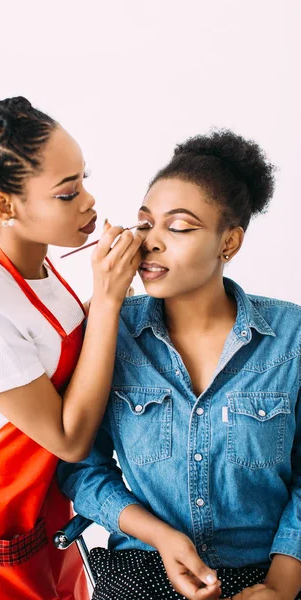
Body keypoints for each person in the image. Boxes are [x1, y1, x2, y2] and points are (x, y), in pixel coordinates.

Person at [0, 70, 142, 600]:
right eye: (66, 192)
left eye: (83, 179)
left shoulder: (37, 262)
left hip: (39, 512)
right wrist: (106, 300)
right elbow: (69, 437)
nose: (89, 202)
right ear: (7, 208)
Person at [58, 130, 301, 600]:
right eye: (145, 223)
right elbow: (81, 469)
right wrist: (161, 537)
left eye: (180, 227)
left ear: (228, 243)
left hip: (269, 570)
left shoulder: (292, 336)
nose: (150, 242)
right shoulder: (111, 330)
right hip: (143, 566)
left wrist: (282, 583)